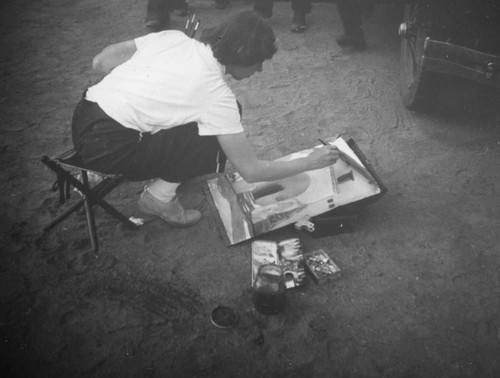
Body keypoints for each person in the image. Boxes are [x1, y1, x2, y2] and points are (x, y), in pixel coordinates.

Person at [71, 11, 339, 227]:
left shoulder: (173, 37)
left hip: (84, 118)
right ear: (242, 57)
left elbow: (101, 62)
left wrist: (142, 86)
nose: (258, 70)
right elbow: (251, 171)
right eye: (258, 62)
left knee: (198, 119)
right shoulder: (216, 96)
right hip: (111, 151)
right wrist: (310, 162)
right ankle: (158, 198)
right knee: (214, 137)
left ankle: (116, 169)